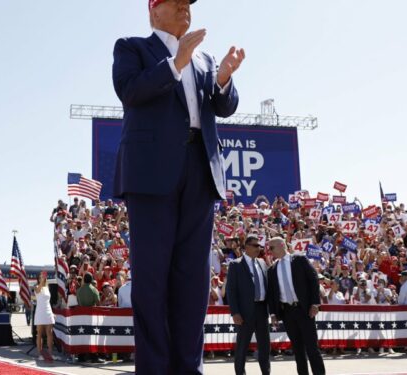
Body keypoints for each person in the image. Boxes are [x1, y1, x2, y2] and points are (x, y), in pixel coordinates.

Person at [112, 0, 244, 372]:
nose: (186, 9)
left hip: (200, 170)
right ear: (154, 10)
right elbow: (130, 91)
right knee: (152, 279)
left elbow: (224, 107)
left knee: (193, 281)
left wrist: (223, 78)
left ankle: (189, 367)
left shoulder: (204, 59)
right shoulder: (132, 47)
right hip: (151, 173)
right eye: (177, 3)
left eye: (189, 4)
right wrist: (175, 62)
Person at [266, 237, 325, 375]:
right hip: (287, 312)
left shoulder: (299, 259)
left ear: (282, 245)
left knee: (311, 349)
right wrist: (273, 314)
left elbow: (313, 280)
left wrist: (315, 303)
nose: (270, 251)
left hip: (304, 310)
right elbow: (272, 293)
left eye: (272, 248)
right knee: (297, 350)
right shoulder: (272, 269)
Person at [226, 235, 270, 375]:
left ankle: (266, 372)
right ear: (247, 247)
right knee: (242, 347)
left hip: (262, 310)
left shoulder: (262, 263)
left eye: (259, 246)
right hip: (244, 312)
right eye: (256, 246)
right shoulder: (235, 264)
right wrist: (235, 312)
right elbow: (231, 291)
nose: (259, 248)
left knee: (264, 346)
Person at [77, 272, 105, 364]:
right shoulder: (94, 290)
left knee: (83, 335)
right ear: (91, 279)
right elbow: (98, 304)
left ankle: (81, 356)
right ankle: (94, 356)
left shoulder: (79, 290)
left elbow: (78, 302)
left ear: (84, 280)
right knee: (93, 336)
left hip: (81, 315)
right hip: (92, 316)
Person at [34, 272, 56, 362]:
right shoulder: (36, 287)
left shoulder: (48, 287)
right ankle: (39, 354)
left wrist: (52, 312)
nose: (41, 278)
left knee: (49, 333)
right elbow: (38, 291)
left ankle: (50, 353)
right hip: (40, 312)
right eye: (40, 277)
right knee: (39, 334)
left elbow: (48, 301)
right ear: (38, 279)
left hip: (48, 311)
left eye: (42, 277)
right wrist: (41, 282)